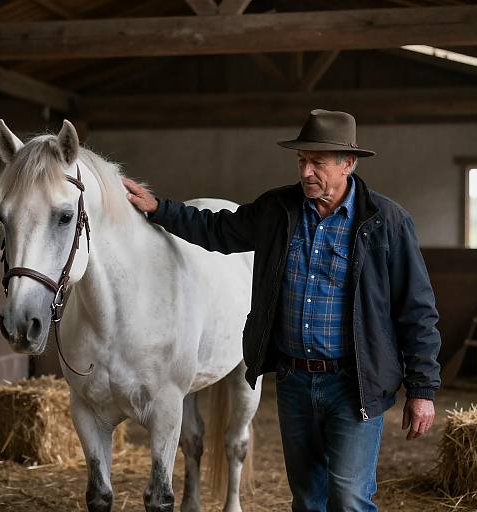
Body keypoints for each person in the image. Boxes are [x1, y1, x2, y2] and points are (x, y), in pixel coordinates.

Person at [122, 109, 441, 512]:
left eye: (318, 163)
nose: (307, 172)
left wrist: (423, 389)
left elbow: (417, 310)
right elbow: (217, 230)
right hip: (295, 381)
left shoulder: (387, 221)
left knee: (350, 498)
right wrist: (159, 209)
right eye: (301, 160)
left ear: (348, 163)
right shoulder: (279, 209)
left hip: (355, 382)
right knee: (307, 500)